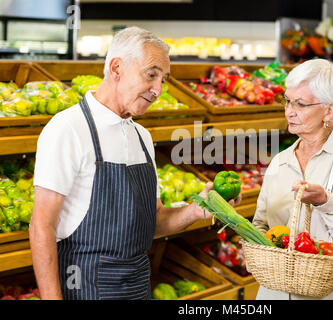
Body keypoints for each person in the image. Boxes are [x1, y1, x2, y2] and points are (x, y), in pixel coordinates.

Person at [29, 27, 239, 300]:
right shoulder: (68, 129)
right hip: (83, 286)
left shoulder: (141, 136)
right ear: (116, 68)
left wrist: (200, 208)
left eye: (163, 80)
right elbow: (41, 226)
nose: (158, 90)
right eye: (151, 75)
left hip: (137, 285)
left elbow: (154, 221)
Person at [252, 58, 333, 300]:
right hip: (276, 293)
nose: (289, 111)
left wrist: (327, 202)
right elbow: (261, 223)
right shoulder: (280, 161)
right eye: (287, 100)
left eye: (301, 104)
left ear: (330, 109)